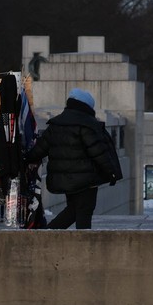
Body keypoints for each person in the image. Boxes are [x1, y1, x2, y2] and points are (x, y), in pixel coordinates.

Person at [25, 88, 120, 229]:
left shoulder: (56, 124)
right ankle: (77, 240)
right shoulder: (88, 124)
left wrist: (26, 158)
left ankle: (48, 234)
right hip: (86, 180)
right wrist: (111, 172)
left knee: (73, 210)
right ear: (87, 106)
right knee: (83, 212)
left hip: (65, 180)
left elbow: (40, 149)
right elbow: (98, 152)